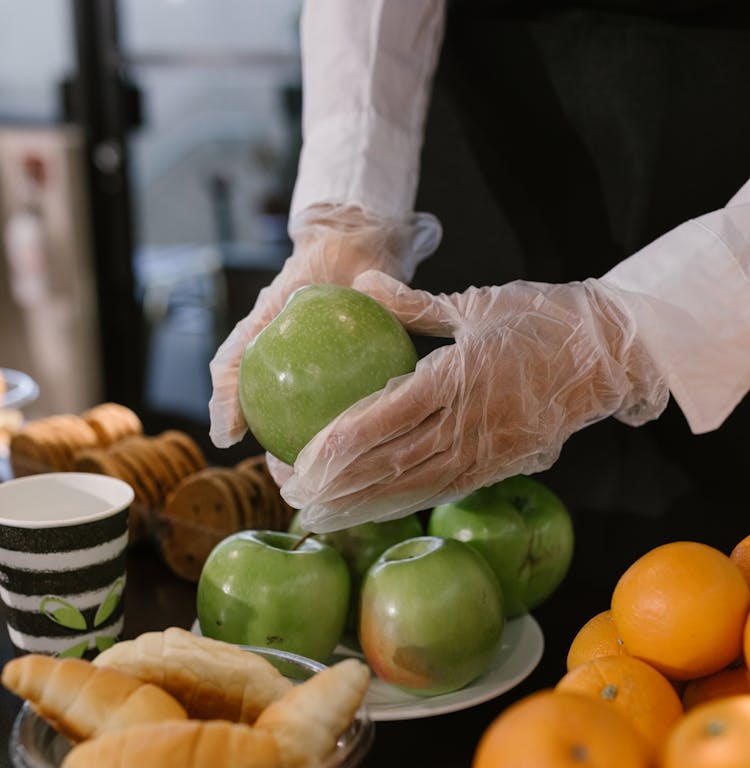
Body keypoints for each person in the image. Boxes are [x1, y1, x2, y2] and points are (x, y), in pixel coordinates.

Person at [208, 0, 750, 533]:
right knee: (460, 480)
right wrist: (350, 208)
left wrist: (624, 334)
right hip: (485, 111)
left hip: (717, 131)